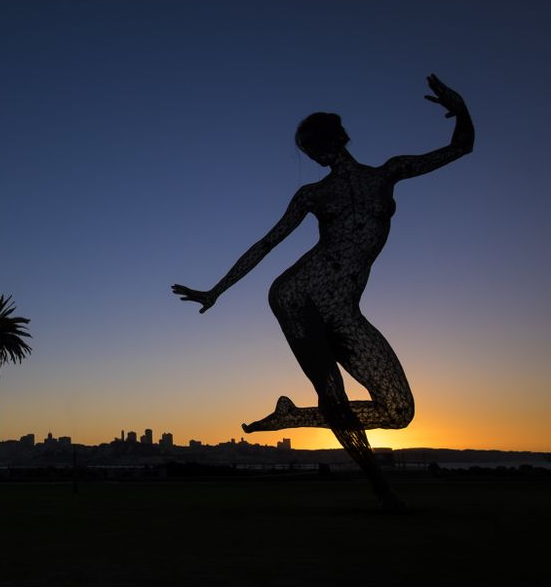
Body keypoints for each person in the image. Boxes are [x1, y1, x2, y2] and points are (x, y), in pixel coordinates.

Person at [172, 75, 474, 509]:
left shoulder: (387, 172)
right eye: (309, 149)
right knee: (332, 392)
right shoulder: (312, 193)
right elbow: (267, 242)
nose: (315, 153)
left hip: (344, 309)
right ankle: (383, 492)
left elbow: (459, 148)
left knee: (399, 411)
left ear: (340, 137)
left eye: (317, 143)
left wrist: (460, 108)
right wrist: (215, 291)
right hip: (297, 296)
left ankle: (293, 418)